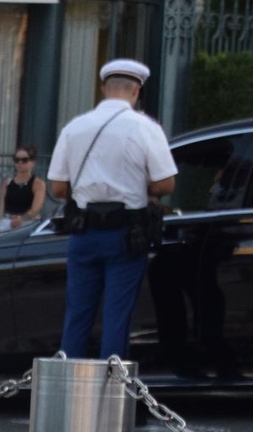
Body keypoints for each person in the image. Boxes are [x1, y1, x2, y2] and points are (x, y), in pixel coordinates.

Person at [47, 57, 176, 361]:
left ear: (103, 88)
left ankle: (69, 393)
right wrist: (137, 186)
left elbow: (58, 188)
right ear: (136, 92)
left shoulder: (74, 127)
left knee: (77, 316)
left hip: (84, 232)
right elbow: (166, 184)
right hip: (125, 233)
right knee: (117, 318)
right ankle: (110, 396)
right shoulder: (146, 128)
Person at [0, 143, 46, 231]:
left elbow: (35, 209)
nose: (20, 163)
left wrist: (21, 219)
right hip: (7, 222)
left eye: (24, 160)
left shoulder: (38, 183)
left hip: (27, 224)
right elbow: (0, 209)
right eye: (17, 160)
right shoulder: (7, 183)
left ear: (32, 163)